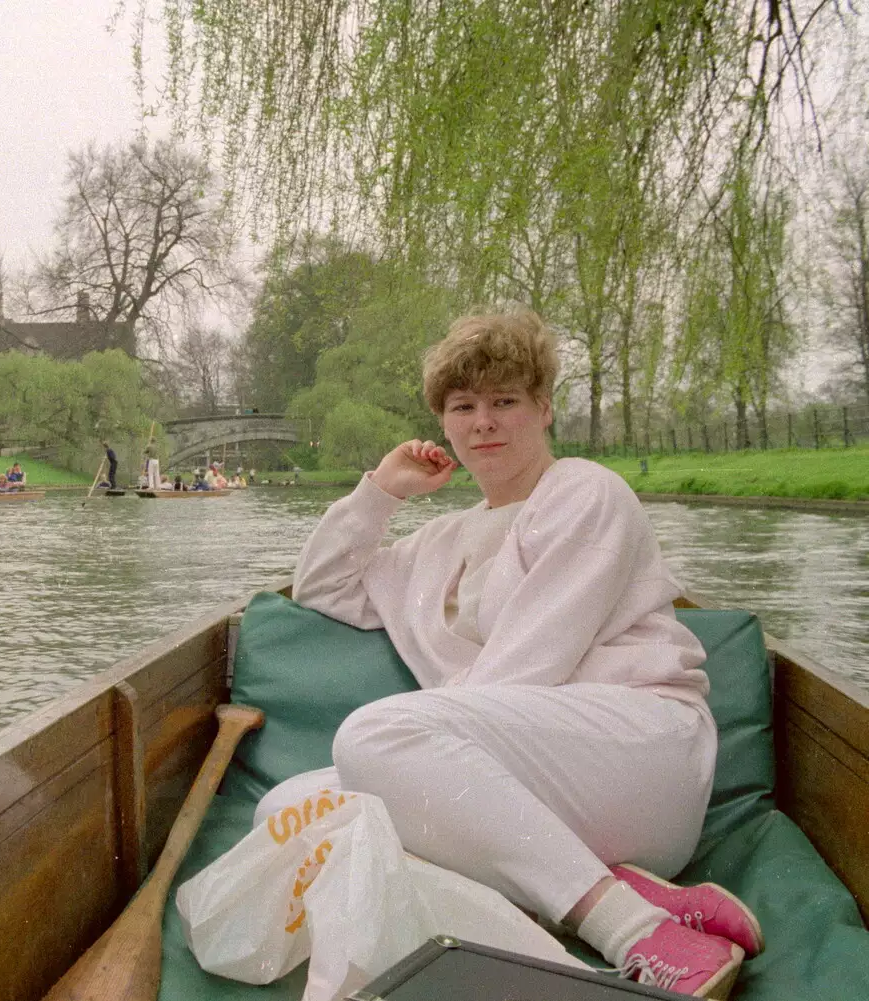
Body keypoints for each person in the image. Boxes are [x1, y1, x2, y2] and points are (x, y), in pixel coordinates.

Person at [278, 309, 756, 997]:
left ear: (543, 409)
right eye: (463, 406)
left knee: (372, 737)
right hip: (520, 785)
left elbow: (531, 665)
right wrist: (381, 492)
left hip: (638, 752)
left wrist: (404, 752)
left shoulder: (585, 494)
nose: (483, 422)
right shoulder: (441, 540)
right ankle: (623, 889)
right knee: (288, 811)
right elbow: (322, 584)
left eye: (505, 401)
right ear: (442, 422)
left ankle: (635, 931)